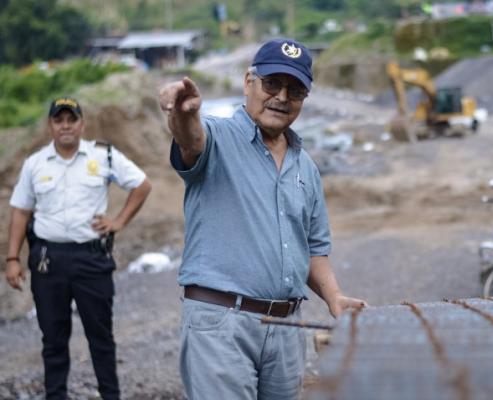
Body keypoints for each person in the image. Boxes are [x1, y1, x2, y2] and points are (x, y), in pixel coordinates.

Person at [158, 38, 367, 399]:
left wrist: (334, 297)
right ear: (248, 82)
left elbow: (313, 248)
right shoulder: (217, 138)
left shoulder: (306, 166)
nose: (282, 97)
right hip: (222, 321)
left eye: (295, 90)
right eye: (272, 83)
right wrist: (184, 113)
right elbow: (190, 142)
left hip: (287, 327)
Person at [5, 97, 152, 399]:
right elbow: (20, 210)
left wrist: (119, 221)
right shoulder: (35, 164)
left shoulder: (104, 156)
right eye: (59, 120)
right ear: (51, 126)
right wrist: (12, 258)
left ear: (82, 124)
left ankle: (110, 395)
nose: (66, 126)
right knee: (53, 339)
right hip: (49, 260)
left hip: (91, 258)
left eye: (71, 119)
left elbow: (141, 185)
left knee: (101, 337)